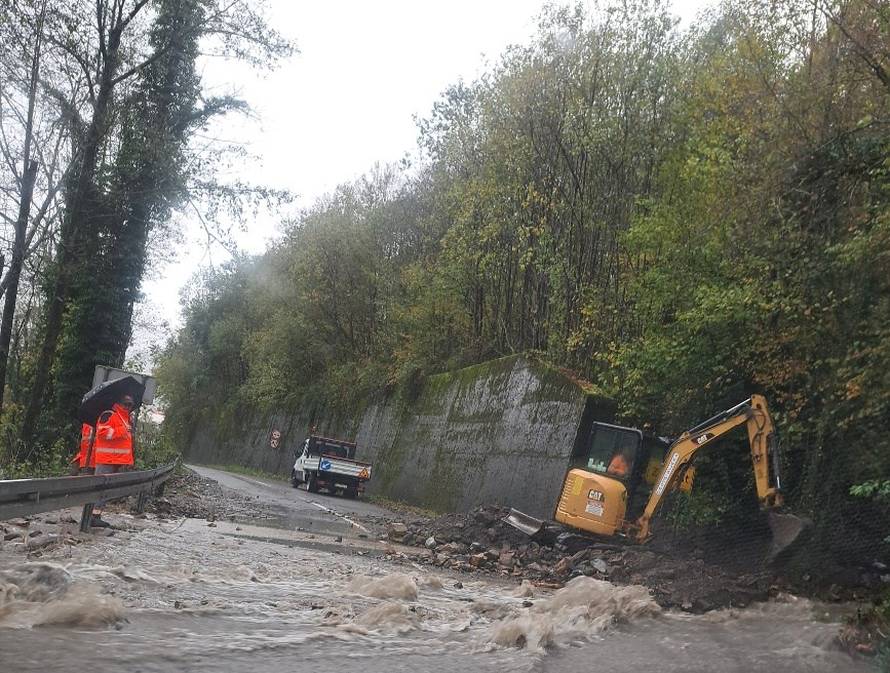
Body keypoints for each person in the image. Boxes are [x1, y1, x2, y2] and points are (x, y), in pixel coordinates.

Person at [90, 393, 135, 528]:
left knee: (106, 489)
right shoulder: (108, 414)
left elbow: (125, 443)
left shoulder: (124, 418)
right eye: (126, 404)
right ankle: (93, 517)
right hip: (106, 459)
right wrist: (122, 430)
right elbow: (103, 433)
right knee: (101, 488)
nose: (128, 407)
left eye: (130, 405)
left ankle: (96, 515)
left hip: (116, 460)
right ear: (119, 403)